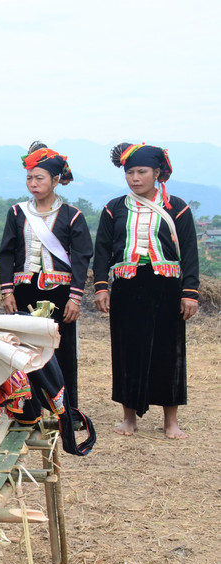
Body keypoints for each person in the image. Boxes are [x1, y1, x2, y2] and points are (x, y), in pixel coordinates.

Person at [93, 143, 199, 439]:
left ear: (157, 173)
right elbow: (102, 250)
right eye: (130, 172)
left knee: (169, 351)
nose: (135, 178)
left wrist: (190, 292)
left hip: (166, 287)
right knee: (128, 351)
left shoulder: (176, 207)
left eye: (142, 171)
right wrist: (102, 286)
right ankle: (129, 418)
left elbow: (189, 251)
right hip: (127, 287)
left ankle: (171, 421)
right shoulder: (114, 208)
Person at [0, 143, 92, 409]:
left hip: (60, 294)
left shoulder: (72, 216)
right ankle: (29, 407)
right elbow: (6, 253)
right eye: (29, 177)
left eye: (40, 178)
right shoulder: (17, 213)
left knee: (61, 349)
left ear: (55, 180)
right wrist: (7, 291)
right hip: (24, 291)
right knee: (24, 349)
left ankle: (66, 409)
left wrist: (75, 298)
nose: (33, 183)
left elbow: (82, 257)